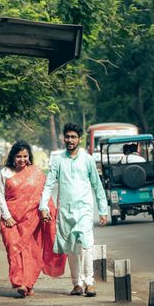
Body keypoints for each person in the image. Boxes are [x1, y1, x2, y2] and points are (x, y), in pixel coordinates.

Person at [40, 123, 109, 297]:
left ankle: (89, 283)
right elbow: (48, 185)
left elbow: (97, 185)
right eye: (67, 137)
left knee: (86, 245)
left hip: (84, 209)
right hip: (64, 210)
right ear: (64, 138)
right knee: (71, 248)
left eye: (73, 137)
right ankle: (76, 284)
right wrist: (43, 206)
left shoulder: (88, 159)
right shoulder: (57, 161)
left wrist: (103, 210)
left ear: (79, 139)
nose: (70, 140)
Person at [0, 141, 67, 298]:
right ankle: (21, 281)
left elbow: (44, 194)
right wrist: (7, 216)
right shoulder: (5, 172)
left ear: (29, 157)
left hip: (32, 220)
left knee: (31, 252)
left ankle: (27, 284)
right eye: (19, 156)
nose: (22, 159)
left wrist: (45, 210)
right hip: (10, 220)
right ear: (13, 157)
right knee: (13, 250)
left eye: (25, 156)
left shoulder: (36, 173)